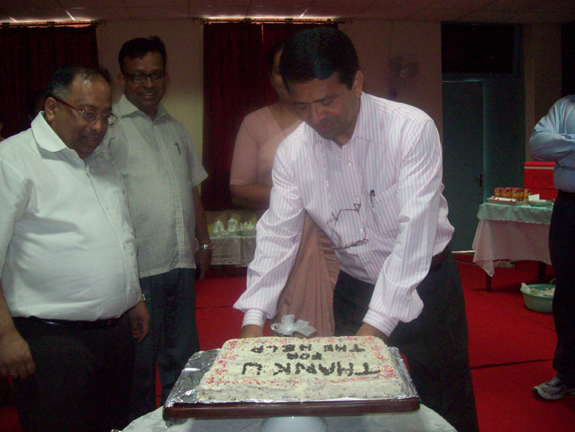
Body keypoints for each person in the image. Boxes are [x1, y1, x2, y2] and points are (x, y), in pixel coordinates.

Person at [234, 28, 479, 431]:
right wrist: (253, 318)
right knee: (359, 409)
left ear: (357, 83)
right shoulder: (293, 153)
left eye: (326, 101)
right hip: (354, 289)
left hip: (426, 286)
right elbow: (278, 236)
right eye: (301, 106)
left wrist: (373, 331)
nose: (316, 118)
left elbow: (413, 239)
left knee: (442, 403)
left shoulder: (410, 129)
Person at [0, 66, 149, 432]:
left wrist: (134, 298)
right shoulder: (12, 160)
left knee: (113, 425)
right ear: (52, 108)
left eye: (105, 115)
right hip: (52, 340)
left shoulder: (101, 164)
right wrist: (3, 335)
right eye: (87, 113)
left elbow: (119, 237)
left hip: (114, 335)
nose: (98, 126)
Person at [103, 36, 212, 420]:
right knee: (138, 369)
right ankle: (137, 425)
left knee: (183, 360)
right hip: (139, 271)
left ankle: (182, 423)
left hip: (179, 264)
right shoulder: (110, 130)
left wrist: (203, 242)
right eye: (138, 76)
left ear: (165, 77)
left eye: (155, 75)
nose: (148, 84)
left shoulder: (175, 128)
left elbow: (191, 188)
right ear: (122, 79)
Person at [230, 42, 339, 336]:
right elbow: (238, 190)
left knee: (342, 322)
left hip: (335, 240)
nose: (289, 78)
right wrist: (297, 196)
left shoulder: (330, 121)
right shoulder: (255, 123)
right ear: (270, 77)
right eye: (281, 71)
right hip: (283, 238)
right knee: (295, 329)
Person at [530, 95, 575, 400]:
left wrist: (564, 151)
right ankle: (568, 373)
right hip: (568, 206)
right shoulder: (565, 107)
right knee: (567, 290)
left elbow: (553, 148)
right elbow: (539, 145)